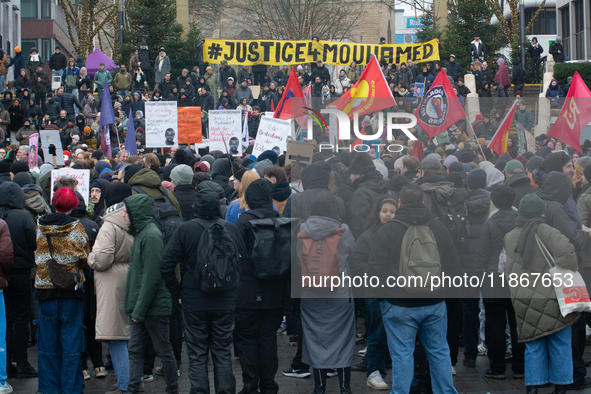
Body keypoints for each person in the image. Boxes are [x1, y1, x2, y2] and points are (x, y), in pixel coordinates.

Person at [370, 183, 460, 394]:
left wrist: (381, 297)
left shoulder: (389, 229)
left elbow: (376, 268)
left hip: (399, 302)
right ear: (422, 201)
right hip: (434, 302)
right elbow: (454, 263)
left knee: (402, 353)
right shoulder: (438, 226)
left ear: (400, 202)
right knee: (439, 351)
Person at [160, 188, 247, 394]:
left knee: (197, 353)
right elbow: (242, 262)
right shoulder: (231, 229)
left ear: (196, 207)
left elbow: (165, 264)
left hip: (193, 299)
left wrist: (177, 291)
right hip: (225, 299)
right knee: (223, 351)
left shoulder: (185, 230)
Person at [505, 193, 580, 394]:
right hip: (553, 299)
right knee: (560, 343)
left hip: (524, 300)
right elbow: (568, 257)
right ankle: (561, 388)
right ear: (540, 213)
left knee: (533, 346)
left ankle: (533, 389)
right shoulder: (547, 231)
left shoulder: (510, 237)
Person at [297, 191, 356, 394]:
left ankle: (319, 386)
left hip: (310, 293)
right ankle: (344, 387)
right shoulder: (343, 230)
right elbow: (352, 253)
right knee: (344, 338)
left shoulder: (303, 229)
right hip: (340, 293)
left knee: (315, 337)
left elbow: (299, 258)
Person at [234, 178, 289, 394]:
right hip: (275, 291)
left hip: (246, 292)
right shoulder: (281, 220)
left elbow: (236, 255)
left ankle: (250, 385)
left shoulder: (243, 221)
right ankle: (268, 384)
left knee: (247, 339)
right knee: (267, 338)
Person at [122, 194, 180, 394]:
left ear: (135, 213)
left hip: (152, 306)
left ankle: (172, 389)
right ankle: (133, 388)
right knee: (135, 349)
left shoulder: (151, 235)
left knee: (163, 349)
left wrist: (138, 309)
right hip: (142, 304)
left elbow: (152, 275)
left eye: (125, 211)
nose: (123, 215)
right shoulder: (142, 233)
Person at [35, 187, 89, 394]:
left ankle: (49, 389)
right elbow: (84, 257)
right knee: (71, 344)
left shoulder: (40, 226)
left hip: (45, 289)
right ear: (73, 205)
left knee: (47, 345)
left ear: (54, 202)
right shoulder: (77, 228)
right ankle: (71, 388)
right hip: (69, 291)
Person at [474, 185, 524, 380]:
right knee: (517, 323)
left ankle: (497, 368)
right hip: (517, 278)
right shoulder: (521, 223)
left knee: (495, 324)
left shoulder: (490, 223)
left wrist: (477, 279)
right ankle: (520, 367)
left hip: (493, 279)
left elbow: (482, 255)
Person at [88, 184, 133, 394]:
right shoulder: (136, 219)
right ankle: (133, 379)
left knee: (115, 335)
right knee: (130, 334)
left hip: (112, 281)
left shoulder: (109, 224)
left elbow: (103, 258)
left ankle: (125, 384)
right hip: (130, 276)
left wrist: (90, 258)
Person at [350, 197, 398, 390]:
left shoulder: (402, 233)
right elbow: (357, 262)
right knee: (377, 333)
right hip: (376, 290)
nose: (388, 214)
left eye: (392, 211)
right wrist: (375, 271)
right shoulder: (368, 236)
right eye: (385, 210)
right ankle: (375, 372)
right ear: (377, 213)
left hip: (398, 290)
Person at [0, 182, 37, 379]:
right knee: (22, 318)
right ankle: (21, 361)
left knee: (5, 318)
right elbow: (34, 242)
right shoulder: (24, 216)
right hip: (22, 272)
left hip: (1, 274)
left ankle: (5, 362)